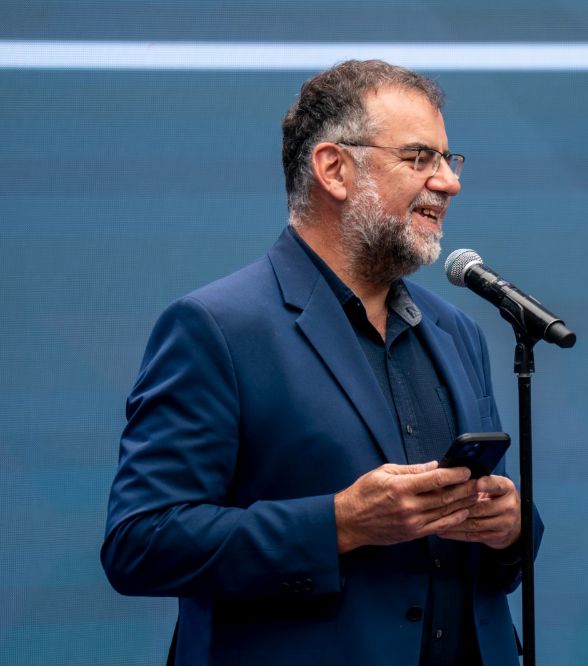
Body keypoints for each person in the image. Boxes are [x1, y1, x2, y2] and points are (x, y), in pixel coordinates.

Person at [102, 59, 542, 666]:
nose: (448, 182)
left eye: (449, 159)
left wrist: (510, 528)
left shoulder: (456, 330)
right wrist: (339, 523)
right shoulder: (218, 328)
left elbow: (495, 557)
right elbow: (141, 543)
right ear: (334, 169)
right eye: (419, 159)